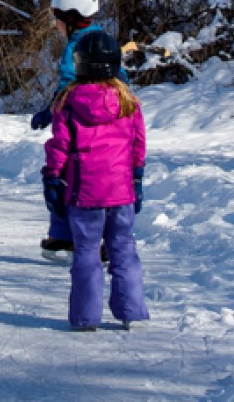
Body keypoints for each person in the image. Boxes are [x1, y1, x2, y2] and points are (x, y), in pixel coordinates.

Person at [42, 27, 149, 332]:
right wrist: (137, 177)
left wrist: (52, 177)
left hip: (85, 193)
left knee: (87, 253)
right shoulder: (128, 101)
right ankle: (131, 312)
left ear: (79, 63)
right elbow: (138, 143)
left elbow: (60, 145)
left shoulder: (68, 101)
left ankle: (86, 317)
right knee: (123, 249)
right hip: (121, 191)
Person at [30, 0, 124, 261]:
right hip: (111, 122)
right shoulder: (103, 40)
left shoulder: (77, 45)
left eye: (57, 17)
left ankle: (66, 237)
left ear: (70, 17)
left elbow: (70, 83)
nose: (56, 24)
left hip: (83, 121)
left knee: (65, 176)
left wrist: (53, 109)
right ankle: (96, 237)